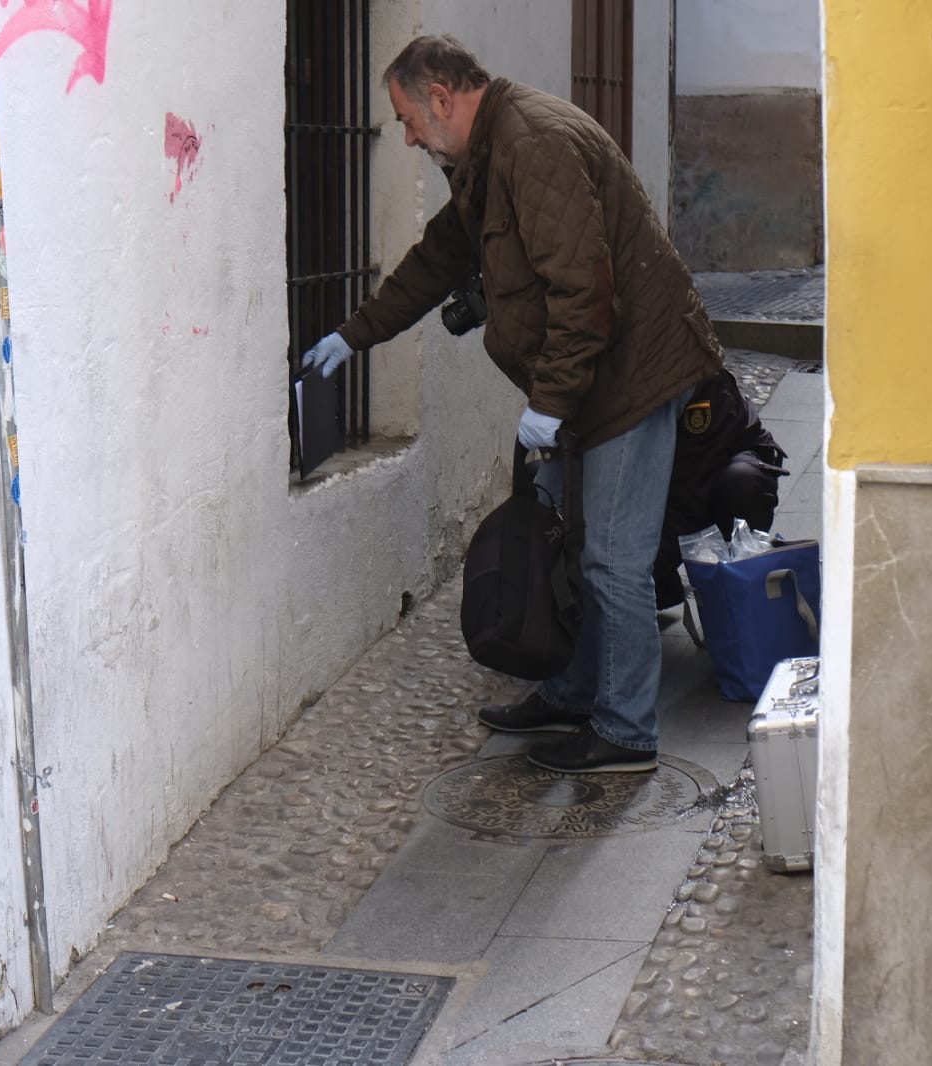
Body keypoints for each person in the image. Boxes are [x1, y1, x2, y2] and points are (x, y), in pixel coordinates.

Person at [300, 35, 722, 774]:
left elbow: (584, 290)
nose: (404, 136)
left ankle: (625, 732)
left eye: (406, 118)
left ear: (441, 98)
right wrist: (354, 334)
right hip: (586, 381)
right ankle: (572, 691)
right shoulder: (487, 154)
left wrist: (552, 404)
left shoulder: (531, 144)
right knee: (570, 541)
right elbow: (439, 256)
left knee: (612, 561)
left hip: (631, 377)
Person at [656, 369, 787, 613]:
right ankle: (659, 589)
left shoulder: (699, 378)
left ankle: (743, 575)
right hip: (676, 478)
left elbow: (690, 491)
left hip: (718, 471)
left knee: (742, 482)